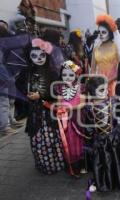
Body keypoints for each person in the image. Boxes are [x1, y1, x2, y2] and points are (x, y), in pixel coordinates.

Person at [25, 35, 65, 174]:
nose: (39, 58)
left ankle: (55, 164)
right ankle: (42, 164)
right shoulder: (28, 72)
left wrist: (40, 95)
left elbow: (57, 93)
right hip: (35, 113)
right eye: (34, 56)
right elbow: (22, 88)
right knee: (37, 139)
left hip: (49, 112)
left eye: (42, 55)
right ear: (29, 57)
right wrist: (28, 93)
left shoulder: (53, 71)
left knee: (51, 139)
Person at [85, 76, 120, 192]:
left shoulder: (113, 101)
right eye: (101, 90)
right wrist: (89, 141)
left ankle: (118, 180)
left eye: (106, 89)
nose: (106, 91)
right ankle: (102, 181)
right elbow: (89, 126)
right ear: (92, 91)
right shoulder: (89, 108)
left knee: (116, 160)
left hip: (113, 138)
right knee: (101, 161)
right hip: (99, 140)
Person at [54, 60, 86, 176]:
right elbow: (58, 104)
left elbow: (83, 103)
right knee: (67, 141)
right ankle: (70, 164)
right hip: (65, 119)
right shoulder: (59, 87)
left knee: (79, 141)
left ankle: (81, 165)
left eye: (71, 74)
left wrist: (70, 108)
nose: (67, 77)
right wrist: (60, 109)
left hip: (77, 118)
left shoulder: (81, 87)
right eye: (64, 75)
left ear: (76, 75)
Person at [91, 14, 120, 96]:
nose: (101, 34)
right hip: (99, 85)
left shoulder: (115, 47)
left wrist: (108, 81)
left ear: (110, 33)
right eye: (99, 32)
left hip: (114, 84)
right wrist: (94, 83)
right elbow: (93, 69)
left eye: (103, 32)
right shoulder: (96, 48)